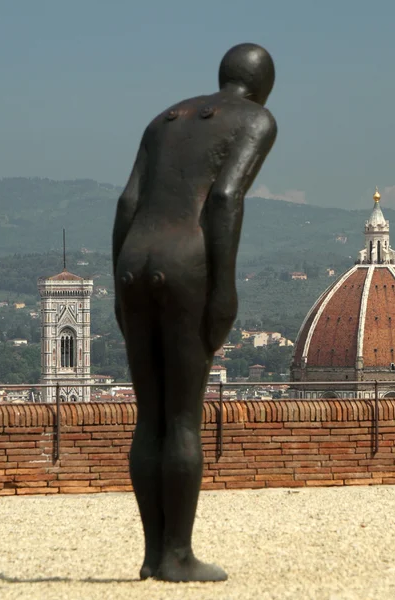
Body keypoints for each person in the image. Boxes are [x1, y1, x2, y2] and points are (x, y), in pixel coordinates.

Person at [112, 43, 277, 582]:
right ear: (263, 85)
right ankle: (178, 556)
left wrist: (121, 282)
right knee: (182, 418)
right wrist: (223, 290)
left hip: (134, 257)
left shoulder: (165, 118)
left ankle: (151, 553)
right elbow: (227, 198)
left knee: (149, 416)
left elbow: (127, 203)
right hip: (186, 262)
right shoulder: (254, 118)